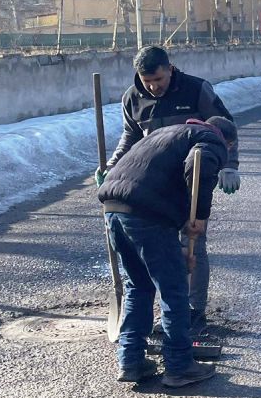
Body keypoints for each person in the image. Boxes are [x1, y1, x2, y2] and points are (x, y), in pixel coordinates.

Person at [97, 45, 240, 335]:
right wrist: (115, 165)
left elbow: (224, 130)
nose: (153, 86)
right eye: (147, 81)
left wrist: (228, 165)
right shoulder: (132, 97)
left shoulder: (196, 90)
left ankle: (193, 311)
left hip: (192, 182)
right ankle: (164, 314)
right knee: (154, 255)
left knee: (192, 244)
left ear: (170, 69)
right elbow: (132, 136)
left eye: (158, 80)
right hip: (151, 186)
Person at [98, 116, 237, 387]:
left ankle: (131, 361)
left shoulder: (168, 132)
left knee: (138, 285)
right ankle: (179, 365)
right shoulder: (210, 139)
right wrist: (198, 218)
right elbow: (200, 164)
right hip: (146, 214)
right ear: (228, 142)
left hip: (113, 208)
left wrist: (180, 240)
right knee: (174, 289)